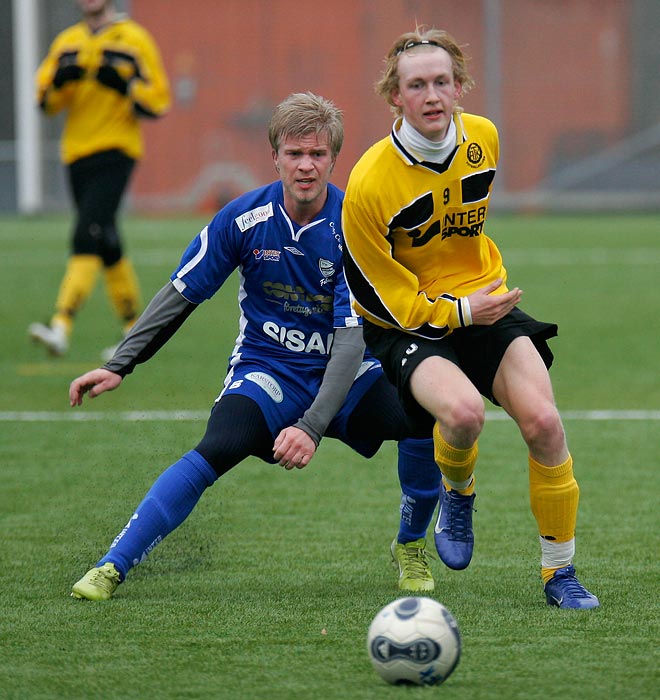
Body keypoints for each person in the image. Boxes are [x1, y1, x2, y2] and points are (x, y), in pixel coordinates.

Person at [68, 92, 441, 601]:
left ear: (334, 158)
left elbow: (351, 342)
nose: (305, 166)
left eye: (316, 154)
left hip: (349, 372)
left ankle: (410, 545)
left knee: (422, 413)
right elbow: (182, 291)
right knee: (217, 446)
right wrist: (121, 363)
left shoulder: (356, 227)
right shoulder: (242, 218)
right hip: (269, 370)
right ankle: (112, 566)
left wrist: (311, 427)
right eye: (294, 153)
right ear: (275, 156)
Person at [341, 28, 599, 609]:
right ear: (395, 97)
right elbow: (370, 296)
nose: (432, 95)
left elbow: (467, 237)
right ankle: (458, 491)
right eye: (416, 85)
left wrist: (478, 302)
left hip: (485, 303)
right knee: (462, 415)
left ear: (460, 88)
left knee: (545, 425)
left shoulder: (483, 138)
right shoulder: (368, 182)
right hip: (407, 321)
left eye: (442, 82)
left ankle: (559, 574)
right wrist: (456, 310)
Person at [29, 0, 171, 359]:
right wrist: (60, 83)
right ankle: (136, 332)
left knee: (86, 232)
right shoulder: (67, 42)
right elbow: (45, 101)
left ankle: (61, 325)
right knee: (106, 239)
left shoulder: (134, 39)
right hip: (76, 153)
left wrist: (126, 88)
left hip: (116, 150)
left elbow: (159, 100)